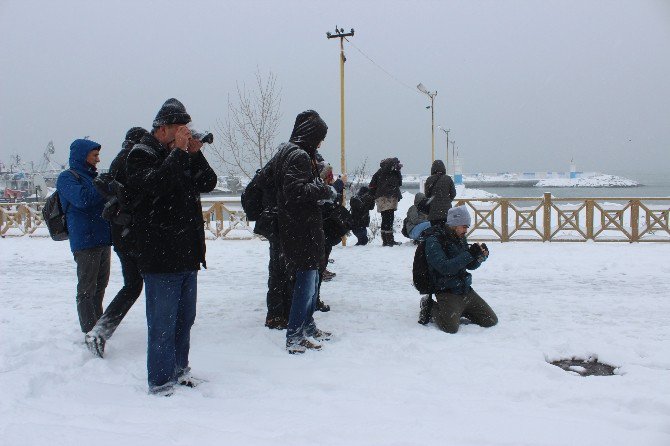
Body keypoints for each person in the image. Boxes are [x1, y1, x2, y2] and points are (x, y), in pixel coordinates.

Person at [126, 98, 217, 395]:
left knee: (184, 320)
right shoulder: (141, 155)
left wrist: (194, 153)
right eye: (180, 130)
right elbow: (158, 186)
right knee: (162, 323)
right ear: (162, 129)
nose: (184, 135)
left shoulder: (177, 154)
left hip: (186, 253)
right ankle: (161, 380)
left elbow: (208, 182)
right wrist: (178, 152)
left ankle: (180, 370)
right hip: (160, 254)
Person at [271, 110, 335, 354]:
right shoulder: (297, 156)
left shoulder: (288, 152)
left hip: (297, 227)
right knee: (306, 284)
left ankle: (307, 326)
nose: (320, 143)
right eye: (319, 137)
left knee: (311, 279)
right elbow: (295, 191)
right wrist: (324, 190)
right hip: (302, 229)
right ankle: (296, 335)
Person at [84, 127, 148, 357]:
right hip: (133, 232)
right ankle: (162, 327)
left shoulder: (117, 162)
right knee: (147, 280)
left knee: (132, 284)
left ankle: (101, 329)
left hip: (120, 232)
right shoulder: (134, 160)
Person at [56, 139, 112, 347]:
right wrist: (102, 185)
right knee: (87, 288)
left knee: (100, 284)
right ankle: (90, 329)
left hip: (102, 238)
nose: (98, 159)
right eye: (94, 155)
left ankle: (100, 324)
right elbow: (83, 199)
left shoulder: (92, 177)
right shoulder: (67, 178)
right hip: (85, 240)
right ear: (82, 156)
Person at [418, 206, 498, 332]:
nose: (466, 230)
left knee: (490, 320)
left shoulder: (460, 237)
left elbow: (469, 266)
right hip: (446, 291)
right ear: (454, 224)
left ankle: (461, 310)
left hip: (465, 289)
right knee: (450, 328)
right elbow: (444, 268)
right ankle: (430, 306)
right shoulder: (434, 240)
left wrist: (479, 257)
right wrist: (470, 254)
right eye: (464, 226)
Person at [369, 157, 403, 246]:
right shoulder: (394, 173)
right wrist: (398, 171)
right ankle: (390, 240)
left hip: (380, 197)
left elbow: (372, 185)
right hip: (391, 197)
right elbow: (400, 183)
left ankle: (385, 240)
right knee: (390, 218)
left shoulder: (379, 172)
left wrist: (375, 195)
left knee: (385, 217)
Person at [424, 159, 457, 226]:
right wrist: (447, 200)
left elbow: (427, 195)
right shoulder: (448, 179)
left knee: (435, 233)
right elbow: (453, 194)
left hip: (433, 212)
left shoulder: (429, 179)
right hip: (446, 212)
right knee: (446, 232)